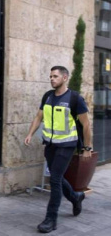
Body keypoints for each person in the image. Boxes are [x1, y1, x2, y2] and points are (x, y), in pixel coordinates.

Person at [24, 66, 92, 234]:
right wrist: (30, 133)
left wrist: (87, 148)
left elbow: (86, 125)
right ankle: (76, 198)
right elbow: (38, 116)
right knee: (57, 177)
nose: (52, 79)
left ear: (65, 78)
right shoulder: (47, 96)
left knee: (54, 179)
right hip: (50, 145)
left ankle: (51, 218)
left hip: (67, 145)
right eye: (50, 76)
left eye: (55, 76)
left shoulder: (75, 98)